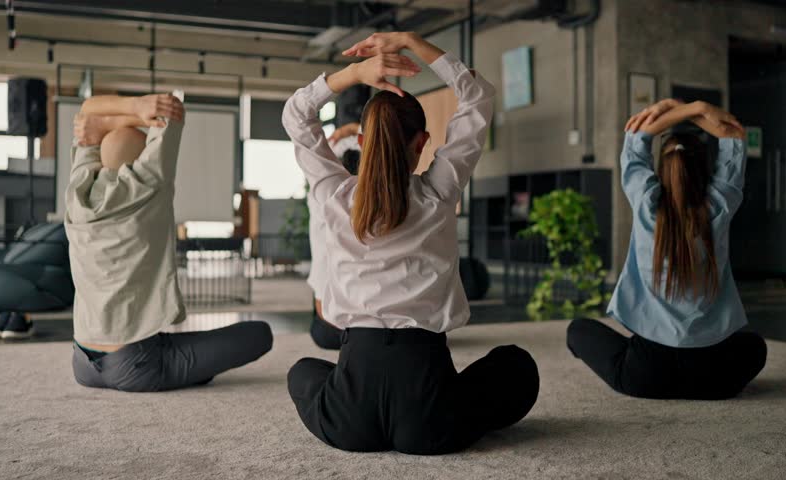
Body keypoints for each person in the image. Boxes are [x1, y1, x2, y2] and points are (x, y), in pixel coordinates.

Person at [283, 32, 539, 455]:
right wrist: (412, 43)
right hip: (431, 417)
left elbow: (297, 115)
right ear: (421, 144)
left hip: (350, 416)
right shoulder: (439, 194)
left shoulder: (333, 195)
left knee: (302, 372)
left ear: (361, 144)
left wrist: (355, 74)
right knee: (517, 365)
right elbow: (475, 98)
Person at [65, 94, 273, 392]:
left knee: (182, 347)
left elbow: (86, 114)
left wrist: (119, 118)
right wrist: (122, 119)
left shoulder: (76, 195)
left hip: (82, 362)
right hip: (134, 364)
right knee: (259, 334)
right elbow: (170, 111)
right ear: (142, 157)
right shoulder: (148, 184)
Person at [567, 98, 767, 400]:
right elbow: (734, 136)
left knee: (577, 330)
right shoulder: (720, 206)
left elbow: (637, 138)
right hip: (712, 379)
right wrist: (700, 108)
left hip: (645, 375)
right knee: (755, 347)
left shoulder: (647, 204)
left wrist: (680, 109)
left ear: (661, 169)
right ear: (704, 169)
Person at [307, 121, 361, 350]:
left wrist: (342, 132)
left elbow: (323, 157)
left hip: (332, 329)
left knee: (318, 329)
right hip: (385, 326)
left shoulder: (322, 202)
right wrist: (357, 129)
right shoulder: (384, 202)